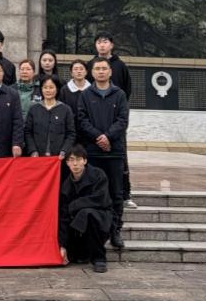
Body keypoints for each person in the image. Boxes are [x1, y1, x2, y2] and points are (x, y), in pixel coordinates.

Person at [77, 58, 129, 249]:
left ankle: (115, 231)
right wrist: (98, 137)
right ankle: (97, 231)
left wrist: (108, 137)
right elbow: (82, 120)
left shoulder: (119, 94)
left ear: (110, 72)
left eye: (104, 68)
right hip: (93, 152)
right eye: (97, 68)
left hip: (114, 153)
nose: (100, 71)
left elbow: (123, 120)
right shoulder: (85, 95)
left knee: (116, 193)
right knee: (94, 192)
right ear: (92, 72)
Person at [87, 33, 136, 209]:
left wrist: (111, 133)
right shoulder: (90, 64)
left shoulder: (120, 66)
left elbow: (127, 91)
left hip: (115, 125)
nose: (102, 45)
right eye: (99, 42)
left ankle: (125, 194)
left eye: (105, 42)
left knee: (121, 160)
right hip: (95, 124)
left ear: (111, 45)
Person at [59, 145, 113, 273]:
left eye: (78, 159)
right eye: (71, 160)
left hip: (101, 216)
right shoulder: (66, 186)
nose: (75, 164)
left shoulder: (98, 175)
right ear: (67, 163)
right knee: (74, 255)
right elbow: (64, 216)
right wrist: (62, 245)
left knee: (86, 213)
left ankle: (99, 258)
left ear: (85, 161)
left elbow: (100, 199)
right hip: (77, 225)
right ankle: (79, 251)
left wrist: (75, 205)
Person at [25, 76, 75, 160]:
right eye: (45, 87)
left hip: (59, 157)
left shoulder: (66, 109)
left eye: (51, 87)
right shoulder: (34, 109)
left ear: (57, 89)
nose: (48, 90)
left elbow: (71, 134)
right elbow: (27, 132)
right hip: (37, 157)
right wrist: (33, 150)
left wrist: (64, 151)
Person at [58, 59, 92, 128]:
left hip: (89, 127)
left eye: (81, 69)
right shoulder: (64, 90)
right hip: (70, 126)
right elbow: (61, 110)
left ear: (86, 72)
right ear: (71, 73)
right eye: (75, 69)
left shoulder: (92, 90)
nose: (79, 71)